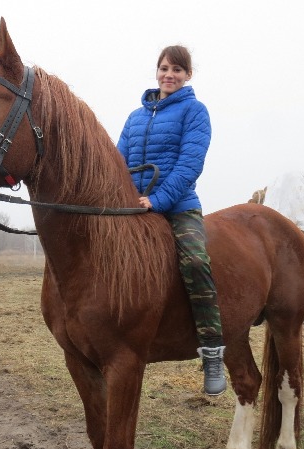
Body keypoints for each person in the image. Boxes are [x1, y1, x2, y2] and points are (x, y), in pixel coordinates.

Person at [116, 45, 227, 396]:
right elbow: (118, 162)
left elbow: (189, 165)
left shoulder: (195, 111)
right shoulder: (135, 117)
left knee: (195, 262)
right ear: (157, 71)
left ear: (188, 75)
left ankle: (211, 352)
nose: (169, 75)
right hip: (133, 206)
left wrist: (158, 200)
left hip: (178, 206)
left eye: (177, 69)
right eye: (165, 68)